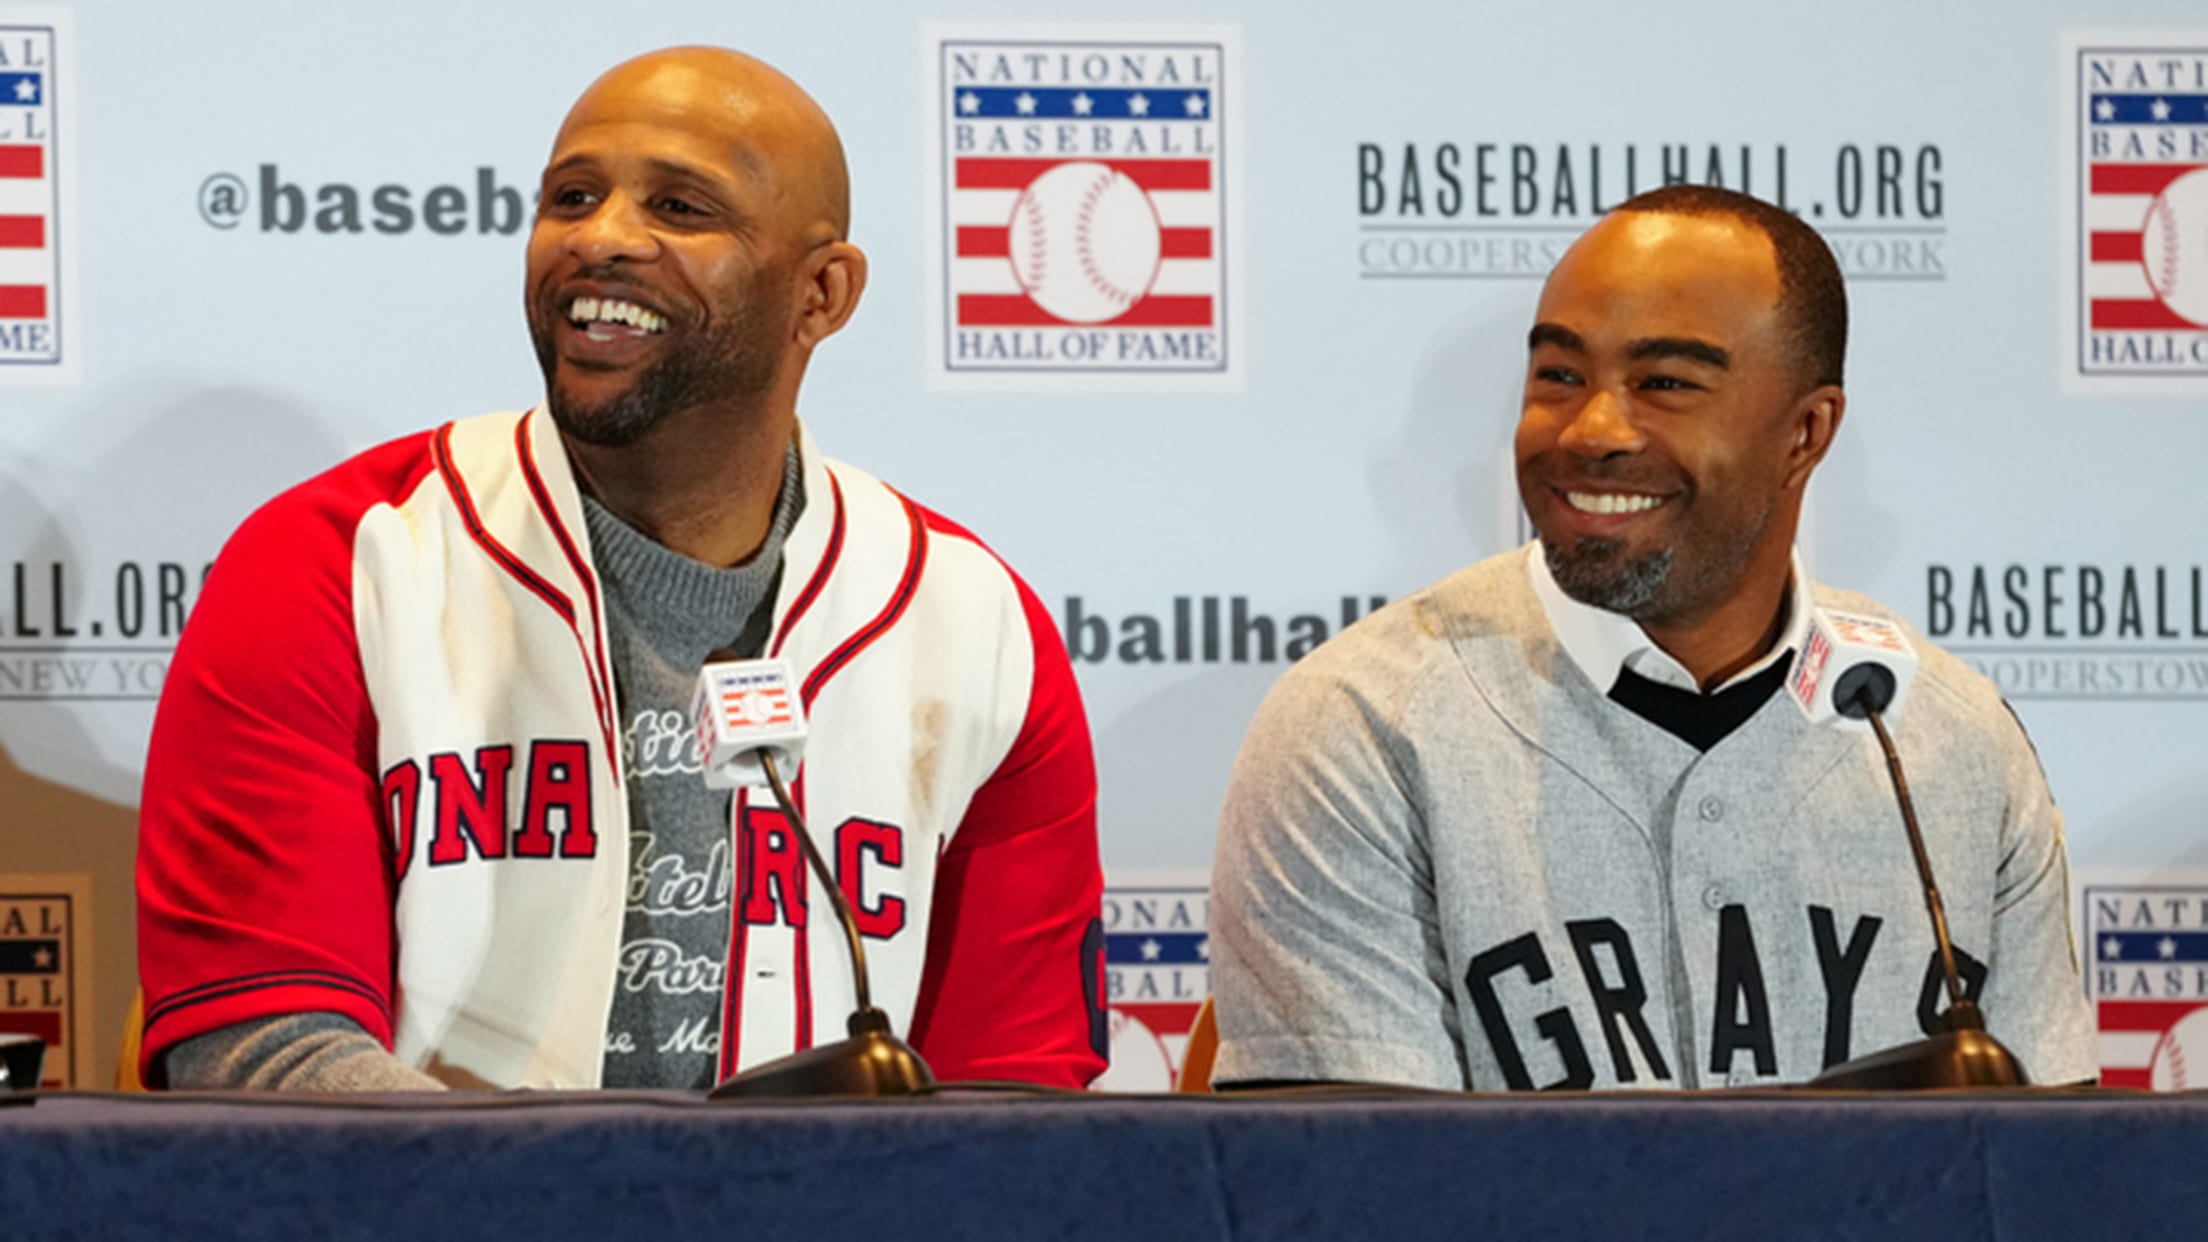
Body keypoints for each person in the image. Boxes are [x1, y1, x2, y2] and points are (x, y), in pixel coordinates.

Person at [136, 47, 1107, 1091]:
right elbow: (267, 1058)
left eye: (682, 208)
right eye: (572, 196)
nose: (600, 239)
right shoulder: (343, 560)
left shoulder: (972, 625)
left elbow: (1013, 1103)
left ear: (821, 294)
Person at [1208, 185, 2096, 1091]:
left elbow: (2053, 1181)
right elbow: (1340, 1190)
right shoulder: (1364, 726)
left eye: (1664, 384)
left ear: (1805, 432)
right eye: (1559, 376)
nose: (1592, 430)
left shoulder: (1950, 738)